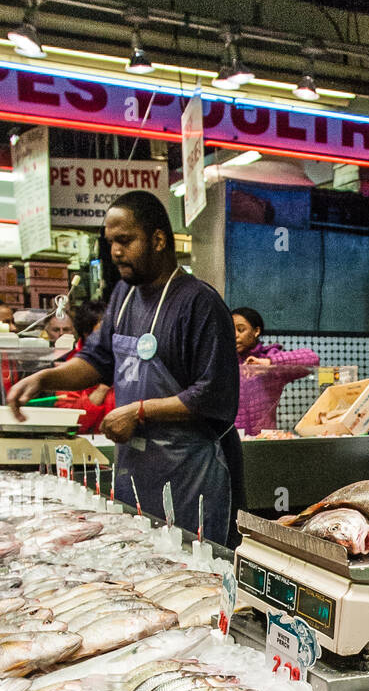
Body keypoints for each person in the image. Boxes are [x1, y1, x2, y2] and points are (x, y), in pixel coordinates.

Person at [7, 191, 240, 545]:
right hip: (138, 466)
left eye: (126, 240)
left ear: (159, 239)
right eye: (111, 242)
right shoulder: (123, 295)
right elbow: (97, 361)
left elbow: (214, 394)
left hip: (192, 472)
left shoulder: (199, 303)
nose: (115, 251)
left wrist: (139, 410)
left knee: (197, 575)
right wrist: (44, 379)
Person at [232, 307, 318, 437]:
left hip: (265, 438)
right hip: (233, 439)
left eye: (241, 329)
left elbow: (312, 359)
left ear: (256, 331)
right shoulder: (224, 360)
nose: (235, 335)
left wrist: (270, 362)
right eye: (230, 330)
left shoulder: (270, 357)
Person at [49, 299, 114, 432]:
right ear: (87, 334)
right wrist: (101, 389)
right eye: (103, 331)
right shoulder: (73, 365)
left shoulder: (127, 359)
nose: (110, 336)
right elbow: (69, 421)